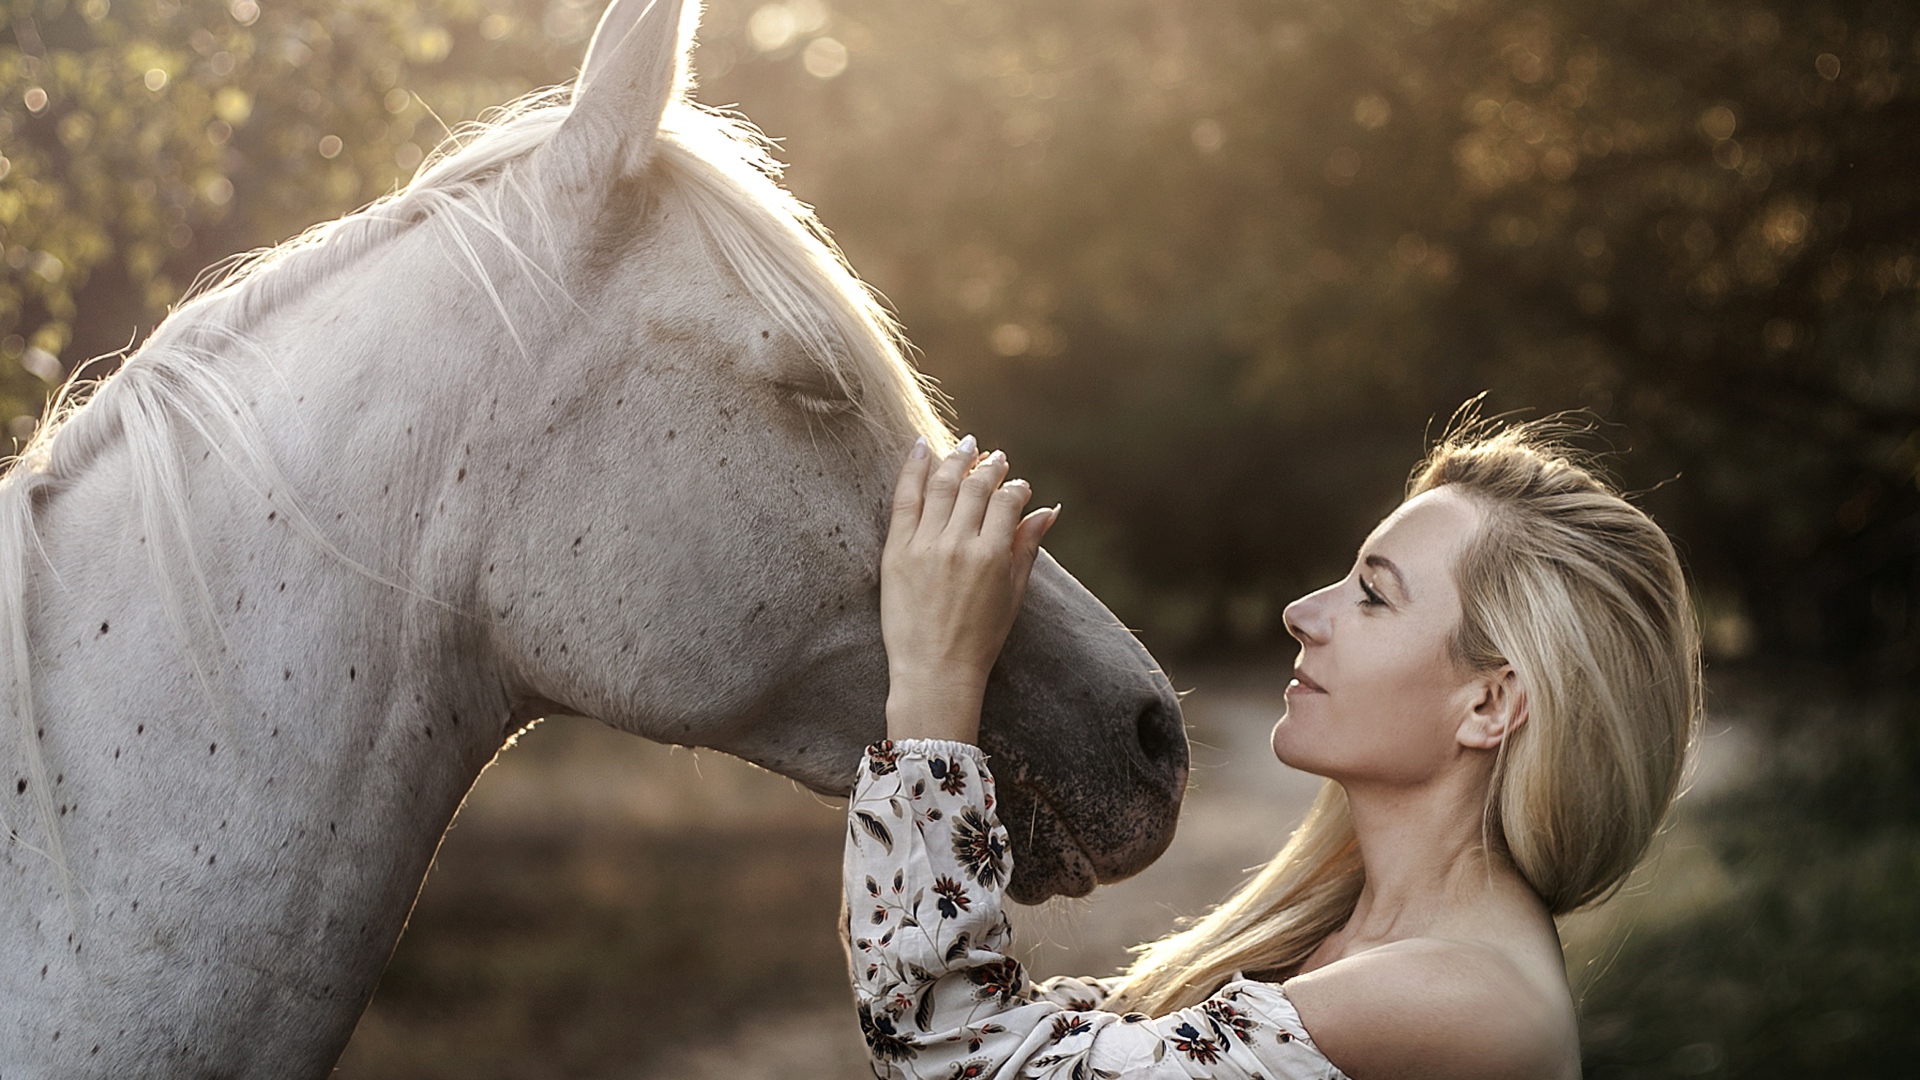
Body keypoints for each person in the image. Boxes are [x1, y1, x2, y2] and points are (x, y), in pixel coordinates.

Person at [845, 419, 1701, 1080]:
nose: (1302, 610)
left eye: (1372, 594)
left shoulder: (1469, 1001)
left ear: (1489, 703)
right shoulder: (1337, 939)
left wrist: (934, 676)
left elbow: (962, 1060)